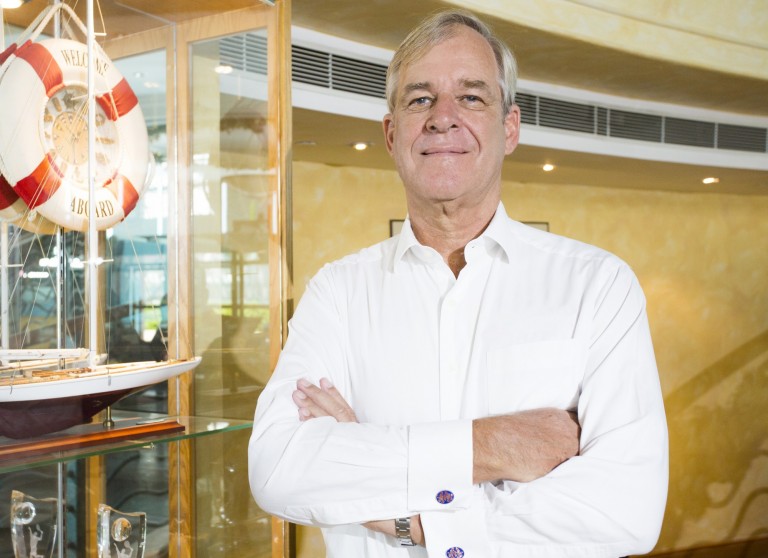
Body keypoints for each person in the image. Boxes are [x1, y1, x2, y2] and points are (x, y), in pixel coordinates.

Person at [249, 9, 668, 557]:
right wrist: (491, 444)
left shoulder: (599, 286)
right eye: (420, 98)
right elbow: (279, 469)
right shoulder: (337, 292)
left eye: (471, 97)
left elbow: (626, 510)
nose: (443, 118)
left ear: (510, 127)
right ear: (391, 133)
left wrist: (409, 517)